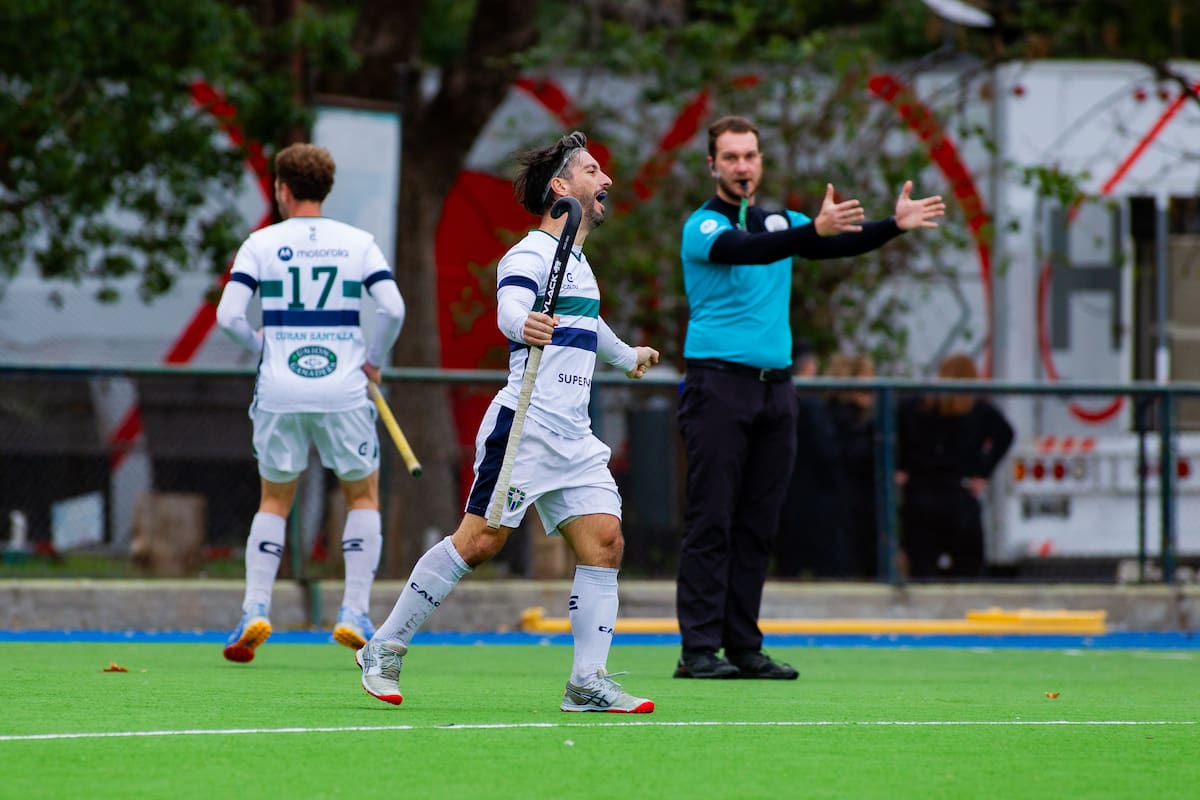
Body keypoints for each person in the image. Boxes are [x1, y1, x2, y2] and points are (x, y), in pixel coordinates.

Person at [355, 131, 661, 713]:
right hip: (527, 423)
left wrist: (626, 355)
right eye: (593, 171)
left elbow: (584, 323)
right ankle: (384, 647)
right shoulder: (527, 255)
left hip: (573, 432)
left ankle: (586, 683)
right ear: (561, 189)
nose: (607, 182)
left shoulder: (577, 263)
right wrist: (524, 325)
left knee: (605, 542)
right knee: (481, 541)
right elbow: (510, 308)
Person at [675, 115, 945, 679]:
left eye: (750, 156)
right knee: (712, 520)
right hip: (718, 386)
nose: (742, 166)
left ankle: (743, 646)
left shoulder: (783, 220)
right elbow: (748, 249)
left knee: (759, 524)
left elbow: (833, 241)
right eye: (731, 158)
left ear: (761, 161)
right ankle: (699, 650)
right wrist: (810, 232)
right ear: (713, 165)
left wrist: (892, 225)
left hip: (776, 391)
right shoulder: (702, 227)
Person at [215, 143, 406, 663]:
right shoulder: (358, 243)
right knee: (362, 496)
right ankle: (353, 611)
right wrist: (372, 358)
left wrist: (263, 347)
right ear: (325, 189)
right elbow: (391, 307)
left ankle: (255, 606)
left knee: (274, 500)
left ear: (282, 188)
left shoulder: (260, 243)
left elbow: (229, 317)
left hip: (279, 386)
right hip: (343, 386)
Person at [896, 353, 1014, 580]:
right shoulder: (977, 409)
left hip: (921, 494)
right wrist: (983, 471)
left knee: (923, 570)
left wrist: (902, 465)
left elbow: (897, 428)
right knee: (968, 571)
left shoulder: (917, 407)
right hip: (959, 493)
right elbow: (1005, 434)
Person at [774, 341, 841, 578]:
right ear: (810, 368)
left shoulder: (774, 397)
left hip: (782, 488)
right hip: (812, 493)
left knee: (788, 562)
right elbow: (827, 453)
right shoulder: (812, 404)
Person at [825, 353, 880, 579]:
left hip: (853, 506)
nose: (871, 390)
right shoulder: (843, 420)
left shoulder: (858, 419)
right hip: (847, 508)